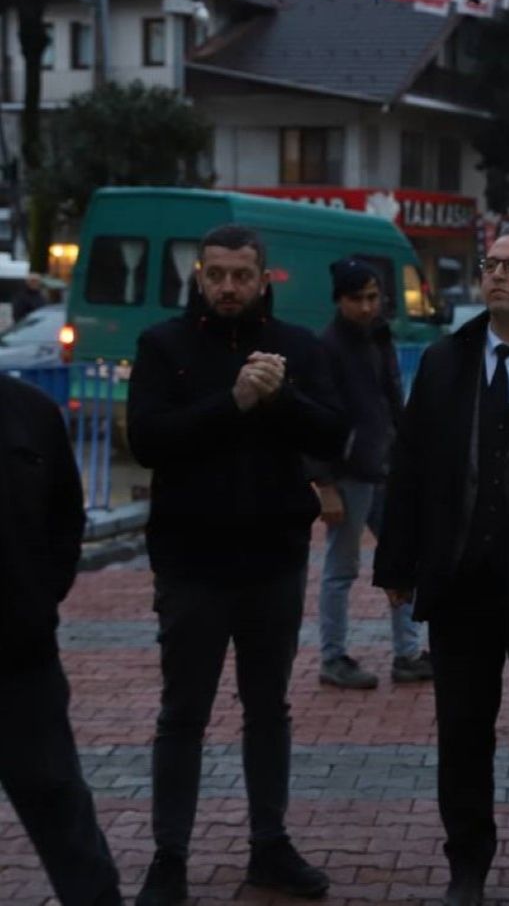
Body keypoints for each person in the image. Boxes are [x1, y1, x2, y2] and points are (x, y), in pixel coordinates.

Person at [128, 224, 347, 906]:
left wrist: (280, 398)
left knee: (268, 709)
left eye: (240, 276)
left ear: (263, 280)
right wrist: (234, 403)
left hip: (273, 561)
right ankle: (169, 855)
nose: (228, 287)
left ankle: (269, 844)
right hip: (191, 562)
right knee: (182, 712)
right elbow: (149, 441)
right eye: (216, 274)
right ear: (199, 276)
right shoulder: (164, 345)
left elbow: (334, 434)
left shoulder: (296, 347)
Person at [375, 223, 509, 906]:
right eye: (492, 264)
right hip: (462, 582)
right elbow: (410, 463)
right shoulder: (448, 360)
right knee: (464, 733)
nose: (498, 276)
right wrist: (397, 560)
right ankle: (467, 862)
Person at [0, 375, 122, 906]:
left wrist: (37, 598)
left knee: (60, 807)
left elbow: (65, 520)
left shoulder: (30, 410)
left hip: (21, 657)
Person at [312, 255, 431, 689]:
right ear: (340, 299)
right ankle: (334, 657)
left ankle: (408, 652)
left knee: (403, 560)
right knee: (341, 569)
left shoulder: (377, 337)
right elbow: (320, 419)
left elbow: (393, 400)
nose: (366, 306)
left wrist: (407, 453)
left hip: (385, 468)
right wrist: (324, 482)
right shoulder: (328, 346)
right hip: (350, 472)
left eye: (373, 297)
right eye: (357, 298)